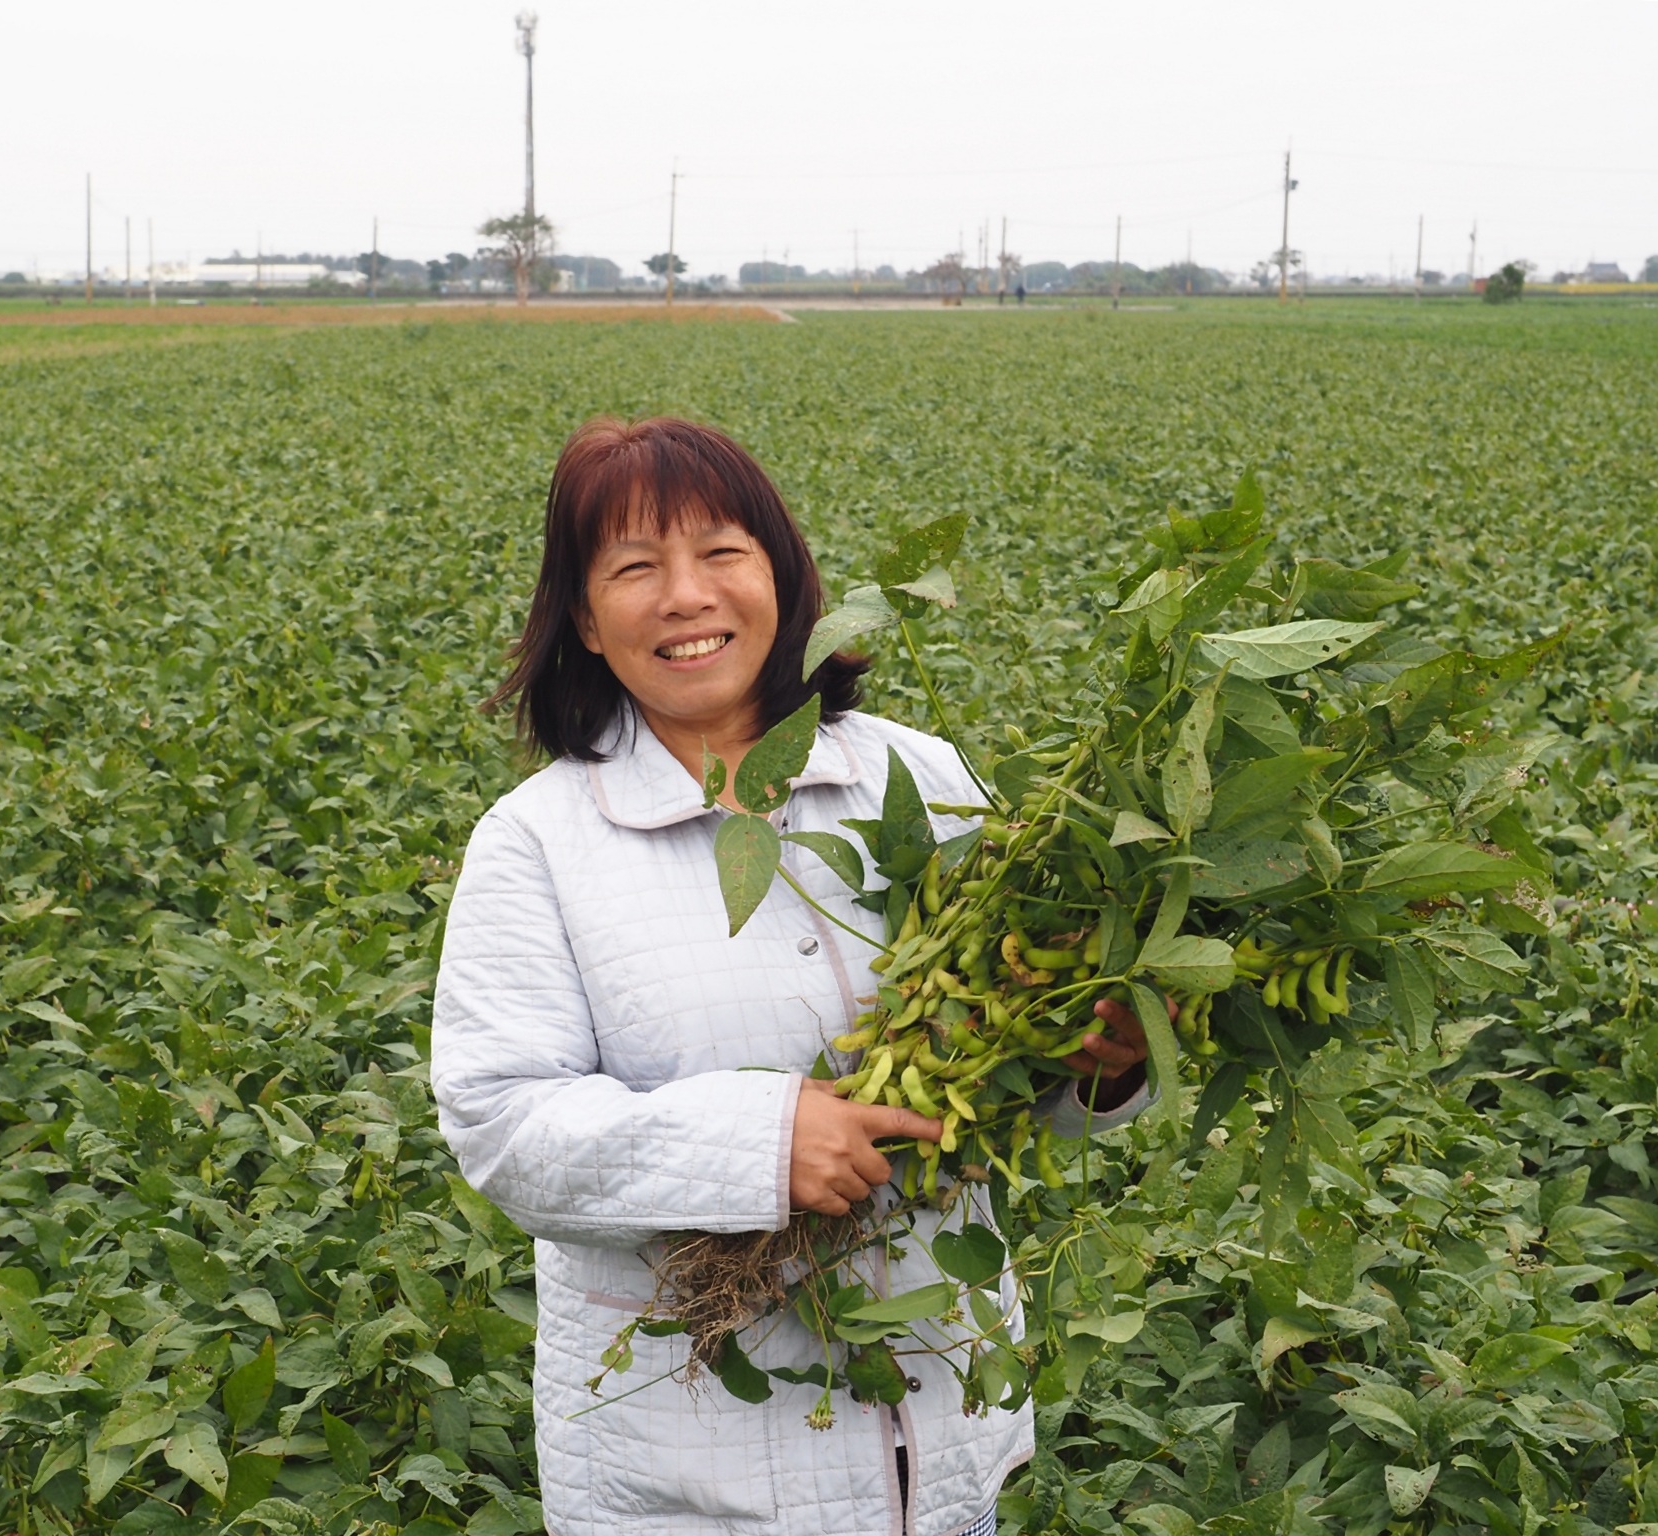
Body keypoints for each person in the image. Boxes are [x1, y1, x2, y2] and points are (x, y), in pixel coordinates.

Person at [431, 417, 1152, 1536]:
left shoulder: (914, 775)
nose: (684, 596)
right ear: (581, 617)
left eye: (720, 552)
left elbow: (1002, 1062)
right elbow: (504, 1129)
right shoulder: (538, 841)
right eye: (633, 568)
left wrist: (1092, 1066)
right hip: (683, 1484)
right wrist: (765, 1145)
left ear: (780, 574)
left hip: (941, 1448)